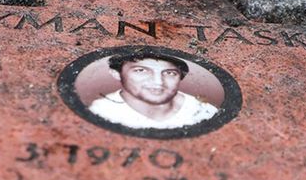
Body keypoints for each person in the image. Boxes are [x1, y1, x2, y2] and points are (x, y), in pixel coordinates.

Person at [87, 49, 218, 129]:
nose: (158, 82)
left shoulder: (203, 111)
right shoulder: (102, 111)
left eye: (169, 73)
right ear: (116, 73)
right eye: (141, 70)